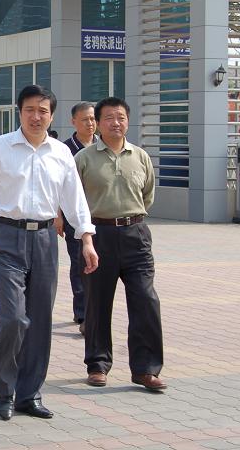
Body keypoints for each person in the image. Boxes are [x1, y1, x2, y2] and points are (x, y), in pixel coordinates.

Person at [0, 84, 97, 421]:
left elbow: (74, 199)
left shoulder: (61, 153)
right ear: (19, 112)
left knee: (40, 320)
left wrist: (86, 239)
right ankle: (4, 390)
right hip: (6, 236)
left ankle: (29, 394)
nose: (36, 117)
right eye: (29, 110)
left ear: (51, 116)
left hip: (45, 238)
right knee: (13, 318)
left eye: (42, 111)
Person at [74, 97, 166, 392]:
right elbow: (74, 199)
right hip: (98, 235)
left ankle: (146, 369)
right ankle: (97, 365)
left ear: (128, 121)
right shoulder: (84, 159)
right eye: (109, 118)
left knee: (146, 300)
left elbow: (148, 195)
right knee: (97, 303)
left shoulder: (140, 156)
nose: (116, 123)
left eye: (121, 117)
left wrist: (129, 218)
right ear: (98, 123)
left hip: (135, 234)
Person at [56, 101, 99, 334]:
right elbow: (56, 186)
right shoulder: (64, 150)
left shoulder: (102, 146)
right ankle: (82, 312)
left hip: (99, 217)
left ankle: (94, 311)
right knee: (79, 263)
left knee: (98, 264)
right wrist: (58, 215)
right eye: (85, 119)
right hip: (73, 218)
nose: (90, 123)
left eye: (92, 119)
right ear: (74, 122)